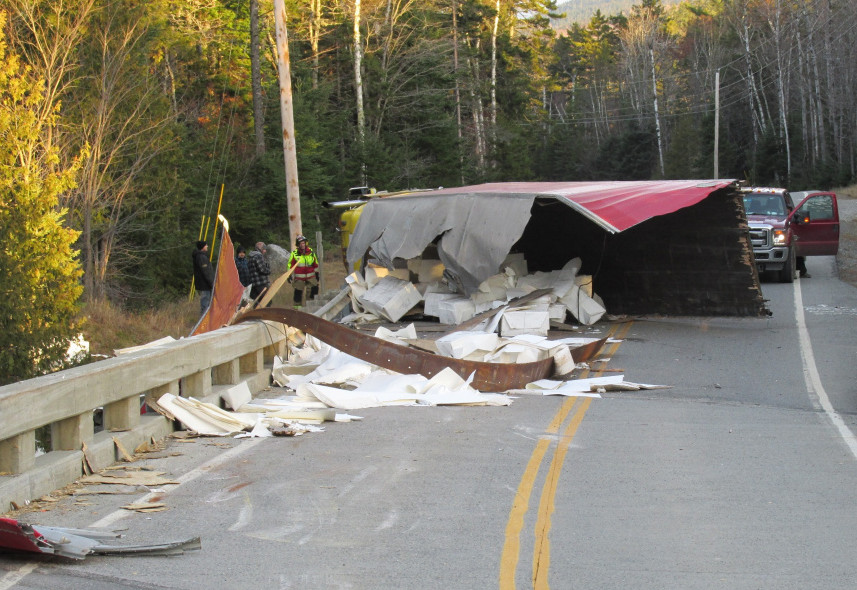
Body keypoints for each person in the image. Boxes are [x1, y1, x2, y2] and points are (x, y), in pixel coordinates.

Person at [287, 234, 319, 308]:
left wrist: (317, 274)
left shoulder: (311, 252)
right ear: (298, 244)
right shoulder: (294, 254)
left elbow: (315, 264)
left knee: (312, 292)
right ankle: (297, 310)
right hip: (299, 278)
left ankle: (310, 308)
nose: (302, 245)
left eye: (304, 243)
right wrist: (289, 275)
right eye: (301, 243)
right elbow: (290, 265)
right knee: (298, 293)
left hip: (311, 276)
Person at [192, 240, 215, 316]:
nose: (207, 246)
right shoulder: (201, 257)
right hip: (205, 284)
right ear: (202, 247)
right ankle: (203, 319)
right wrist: (211, 282)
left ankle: (206, 318)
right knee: (205, 302)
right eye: (206, 245)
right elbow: (206, 272)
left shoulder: (202, 256)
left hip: (205, 283)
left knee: (207, 302)